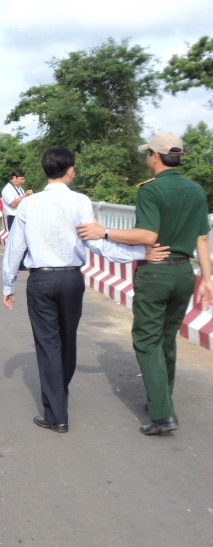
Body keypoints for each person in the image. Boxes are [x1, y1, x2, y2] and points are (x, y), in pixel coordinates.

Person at [2, 146, 165, 433]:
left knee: (48, 344)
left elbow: (16, 247)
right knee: (67, 341)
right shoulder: (81, 202)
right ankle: (59, 395)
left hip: (40, 280)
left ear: (44, 172)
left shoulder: (28, 204)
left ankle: (57, 414)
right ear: (71, 171)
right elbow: (99, 243)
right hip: (71, 280)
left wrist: (8, 282)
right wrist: (140, 253)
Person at [77, 131, 212, 435]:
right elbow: (202, 239)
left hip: (156, 273)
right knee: (166, 340)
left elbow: (147, 237)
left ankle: (162, 414)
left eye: (147, 153)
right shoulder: (196, 190)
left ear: (155, 156)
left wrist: (105, 232)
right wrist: (206, 279)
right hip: (183, 274)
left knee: (146, 340)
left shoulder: (150, 191)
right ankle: (160, 400)